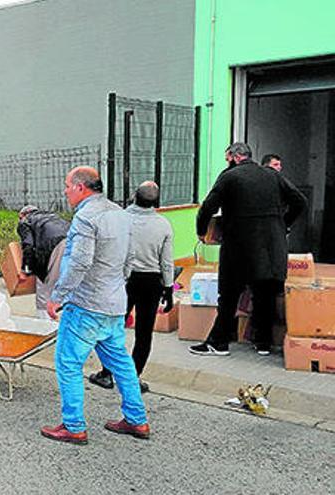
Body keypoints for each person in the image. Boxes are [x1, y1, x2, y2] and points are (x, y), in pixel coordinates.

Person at [40, 166, 149, 445]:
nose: (65, 191)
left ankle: (73, 426)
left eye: (67, 186)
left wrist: (58, 296)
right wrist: (118, 290)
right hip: (113, 303)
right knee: (122, 364)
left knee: (68, 363)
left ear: (80, 187)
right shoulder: (121, 214)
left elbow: (79, 262)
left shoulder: (85, 218)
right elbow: (130, 259)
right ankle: (137, 420)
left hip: (86, 305)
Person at [190, 143, 306, 357]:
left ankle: (219, 342)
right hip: (272, 249)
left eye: (227, 159)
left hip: (239, 247)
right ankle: (263, 344)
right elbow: (300, 201)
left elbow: (208, 207)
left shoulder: (230, 177)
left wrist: (201, 231)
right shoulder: (273, 175)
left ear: (234, 157)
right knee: (265, 295)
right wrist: (283, 224)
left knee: (229, 296)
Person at [88, 181, 174, 393]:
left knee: (113, 328)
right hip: (152, 282)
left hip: (122, 279)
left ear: (134, 196)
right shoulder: (163, 225)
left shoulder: (120, 219)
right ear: (156, 201)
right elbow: (167, 262)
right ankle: (133, 378)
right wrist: (169, 288)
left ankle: (107, 373)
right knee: (144, 333)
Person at [16, 205, 69, 320]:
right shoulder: (53, 216)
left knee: (44, 286)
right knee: (66, 284)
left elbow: (28, 246)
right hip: (73, 243)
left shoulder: (25, 221)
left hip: (55, 247)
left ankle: (45, 324)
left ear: (22, 215)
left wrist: (25, 271)